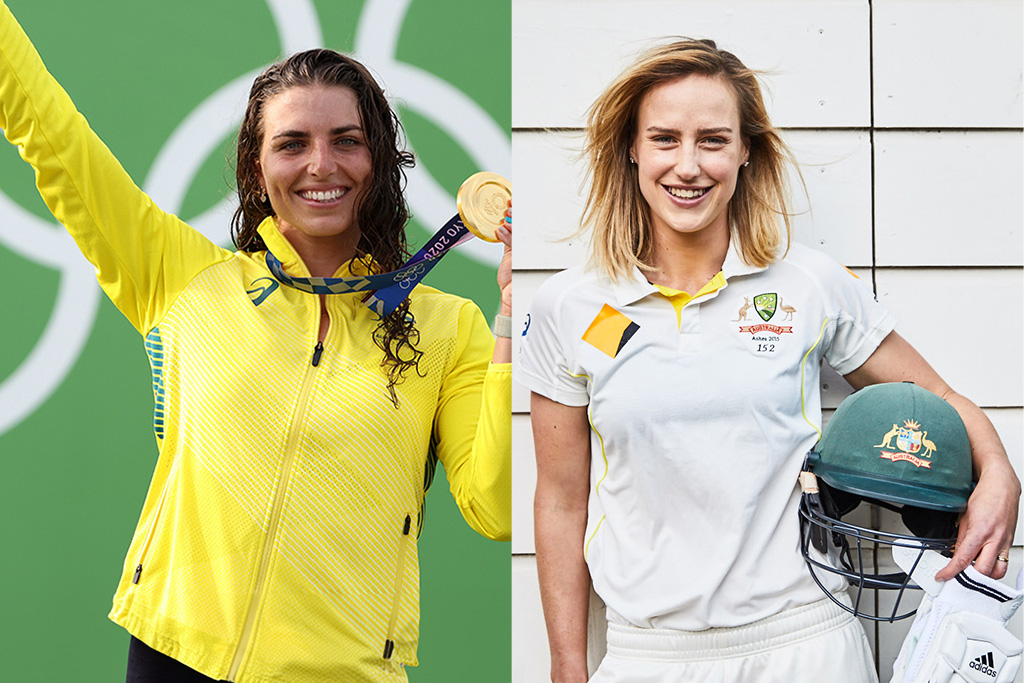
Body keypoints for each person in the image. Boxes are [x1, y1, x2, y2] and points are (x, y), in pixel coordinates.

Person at [0, 2, 511, 681]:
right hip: (174, 654)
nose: (321, 165)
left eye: (347, 141)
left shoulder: (447, 325)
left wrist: (513, 313)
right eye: (292, 142)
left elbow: (495, 504)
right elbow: (50, 131)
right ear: (257, 164)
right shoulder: (183, 276)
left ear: (380, 159)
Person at [518, 38, 1019, 683]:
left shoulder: (809, 284)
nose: (689, 165)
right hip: (652, 654)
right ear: (632, 150)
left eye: (714, 140)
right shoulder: (569, 305)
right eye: (665, 139)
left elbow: (942, 402)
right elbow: (561, 502)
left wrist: (1000, 473)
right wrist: (566, 664)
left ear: (746, 150)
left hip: (806, 640)